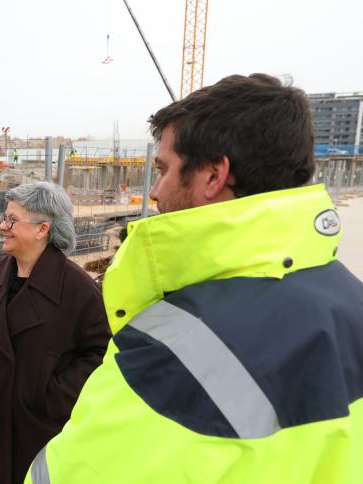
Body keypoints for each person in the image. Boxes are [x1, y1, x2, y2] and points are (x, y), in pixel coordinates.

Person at [25, 74, 363, 483]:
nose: (156, 191)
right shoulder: (350, 300)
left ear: (213, 176)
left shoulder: (175, 351)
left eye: (164, 169)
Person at [0, 182, 111, 484]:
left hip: (40, 427)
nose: (1, 226)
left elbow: (102, 355)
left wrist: (49, 396)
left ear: (42, 229)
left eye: (11, 220)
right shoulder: (1, 271)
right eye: (5, 217)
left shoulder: (78, 289)